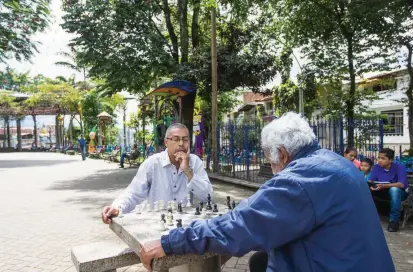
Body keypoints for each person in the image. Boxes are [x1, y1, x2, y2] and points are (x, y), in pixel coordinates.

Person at [139, 112, 394, 272]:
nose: (270, 165)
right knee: (259, 261)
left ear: (282, 154)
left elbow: (240, 227)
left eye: (267, 156)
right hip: (356, 260)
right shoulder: (334, 162)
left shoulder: (299, 180)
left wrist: (170, 242)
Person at [101, 123, 213, 223]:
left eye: (185, 140)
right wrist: (117, 207)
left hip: (182, 223)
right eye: (176, 139)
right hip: (156, 222)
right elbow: (134, 192)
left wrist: (188, 171)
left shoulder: (195, 162)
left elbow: (208, 196)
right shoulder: (152, 163)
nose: (181, 144)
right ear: (166, 142)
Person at [369, 148, 408, 232]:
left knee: (394, 190)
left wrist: (385, 186)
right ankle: (367, 217)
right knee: (367, 189)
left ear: (391, 160)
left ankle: (394, 221)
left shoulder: (399, 167)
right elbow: (371, 180)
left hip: (399, 193)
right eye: (378, 158)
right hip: (381, 190)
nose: (379, 160)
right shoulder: (376, 167)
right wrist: (371, 186)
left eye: (382, 158)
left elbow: (401, 184)